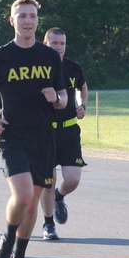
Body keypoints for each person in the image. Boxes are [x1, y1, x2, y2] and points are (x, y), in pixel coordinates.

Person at [0, 0, 66, 258]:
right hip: (11, 135)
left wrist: (58, 99)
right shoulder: (0, 56)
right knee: (23, 194)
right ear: (12, 21)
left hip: (43, 136)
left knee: (33, 201)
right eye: (22, 16)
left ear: (38, 21)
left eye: (32, 16)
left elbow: (64, 99)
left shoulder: (50, 56)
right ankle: (7, 239)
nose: (27, 21)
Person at [40, 27, 89, 241]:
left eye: (62, 44)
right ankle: (48, 224)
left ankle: (60, 197)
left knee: (72, 179)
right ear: (45, 44)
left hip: (69, 130)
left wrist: (82, 105)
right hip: (45, 131)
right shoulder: (38, 69)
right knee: (47, 182)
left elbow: (83, 87)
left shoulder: (73, 68)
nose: (59, 47)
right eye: (54, 43)